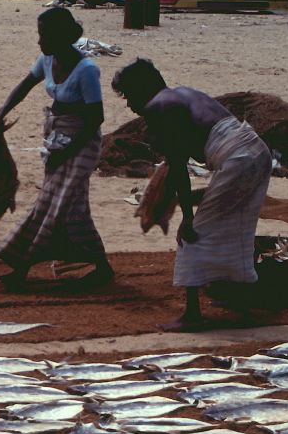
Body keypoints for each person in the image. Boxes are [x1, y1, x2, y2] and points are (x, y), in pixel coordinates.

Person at [112, 58, 272, 330]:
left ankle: (193, 314)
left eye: (128, 96)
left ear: (142, 90)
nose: (129, 105)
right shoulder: (183, 93)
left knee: (194, 233)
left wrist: (186, 216)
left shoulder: (158, 106)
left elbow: (177, 166)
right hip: (258, 151)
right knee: (239, 228)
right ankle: (243, 306)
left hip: (237, 158)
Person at [0, 6, 112, 289]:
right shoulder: (46, 60)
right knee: (73, 207)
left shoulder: (87, 70)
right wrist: (1, 113)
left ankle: (22, 267)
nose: (40, 41)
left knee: (56, 202)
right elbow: (25, 85)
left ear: (59, 36)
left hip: (82, 142)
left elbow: (96, 118)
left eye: (44, 36)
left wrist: (68, 152)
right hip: (57, 138)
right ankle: (102, 267)